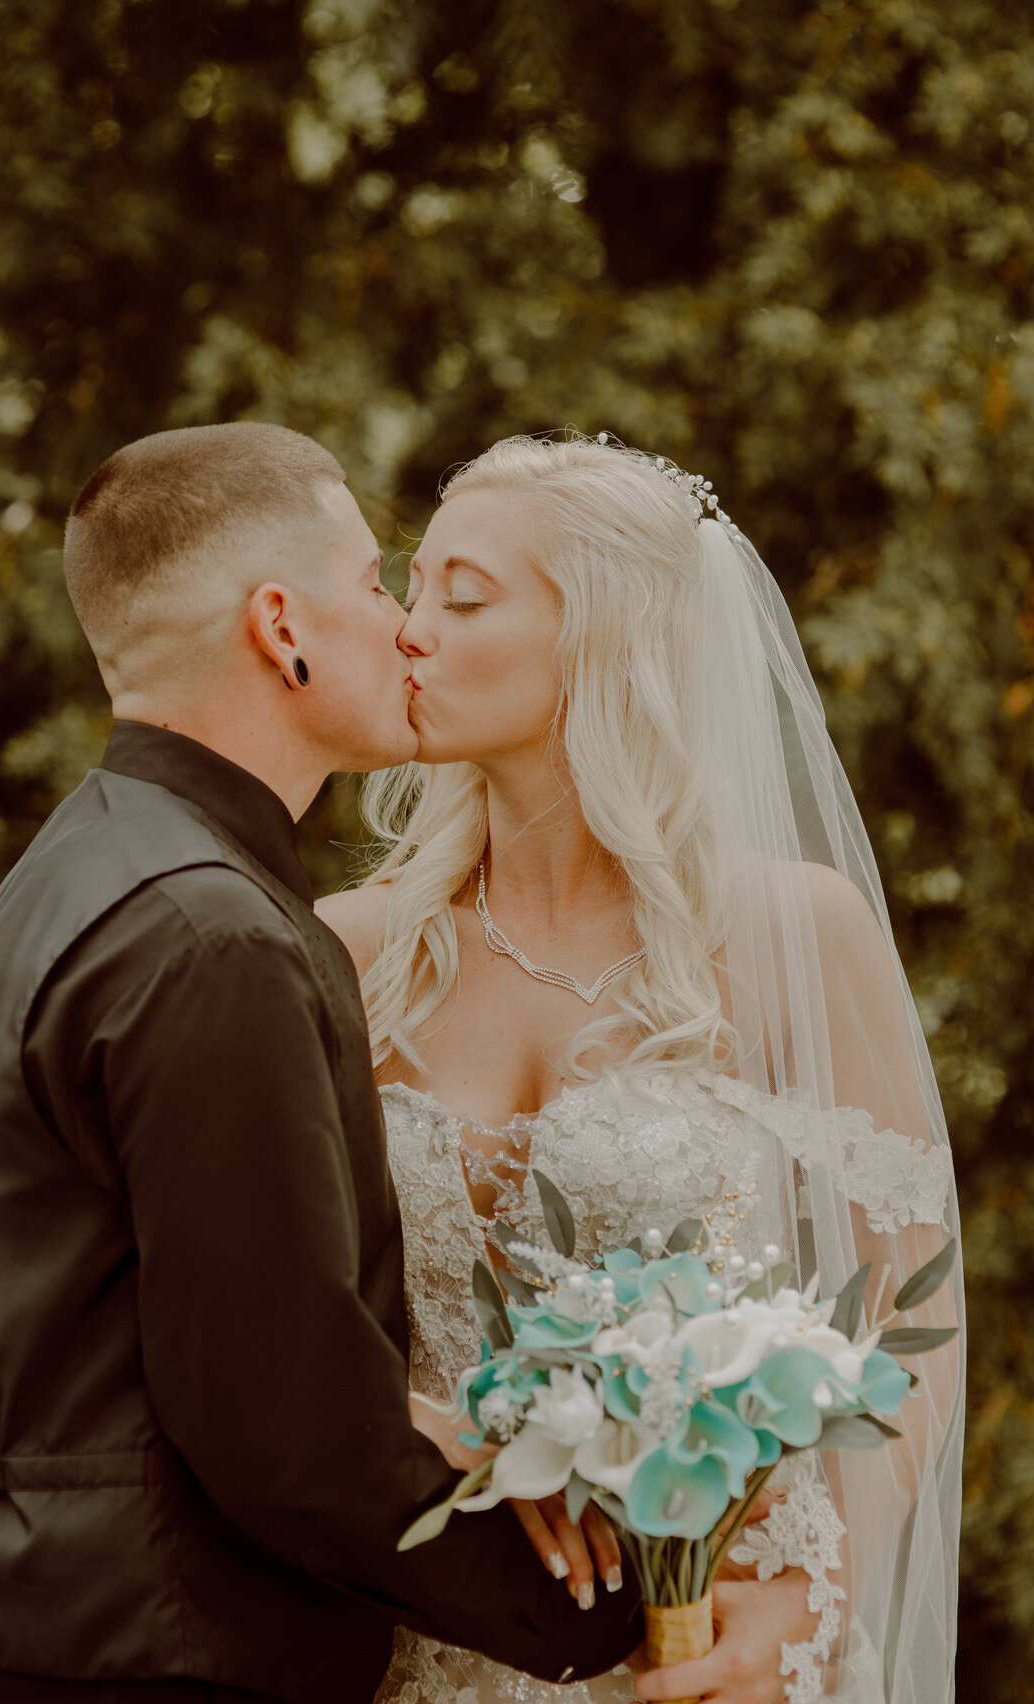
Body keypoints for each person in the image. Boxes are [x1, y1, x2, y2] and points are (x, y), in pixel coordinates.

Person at [0, 423, 648, 1704]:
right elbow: (283, 1427)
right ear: (279, 627)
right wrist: (611, 1616)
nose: (403, 627)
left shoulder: (82, 874)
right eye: (374, 584)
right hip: (157, 1663)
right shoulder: (211, 935)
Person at [318, 433, 964, 1704]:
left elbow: (913, 1315)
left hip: (710, 1641)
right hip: (421, 1646)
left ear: (605, 637)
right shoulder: (349, 953)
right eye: (411, 586)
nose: (408, 631)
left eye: (465, 597)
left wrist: (808, 1598)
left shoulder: (791, 934)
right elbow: (272, 1316)